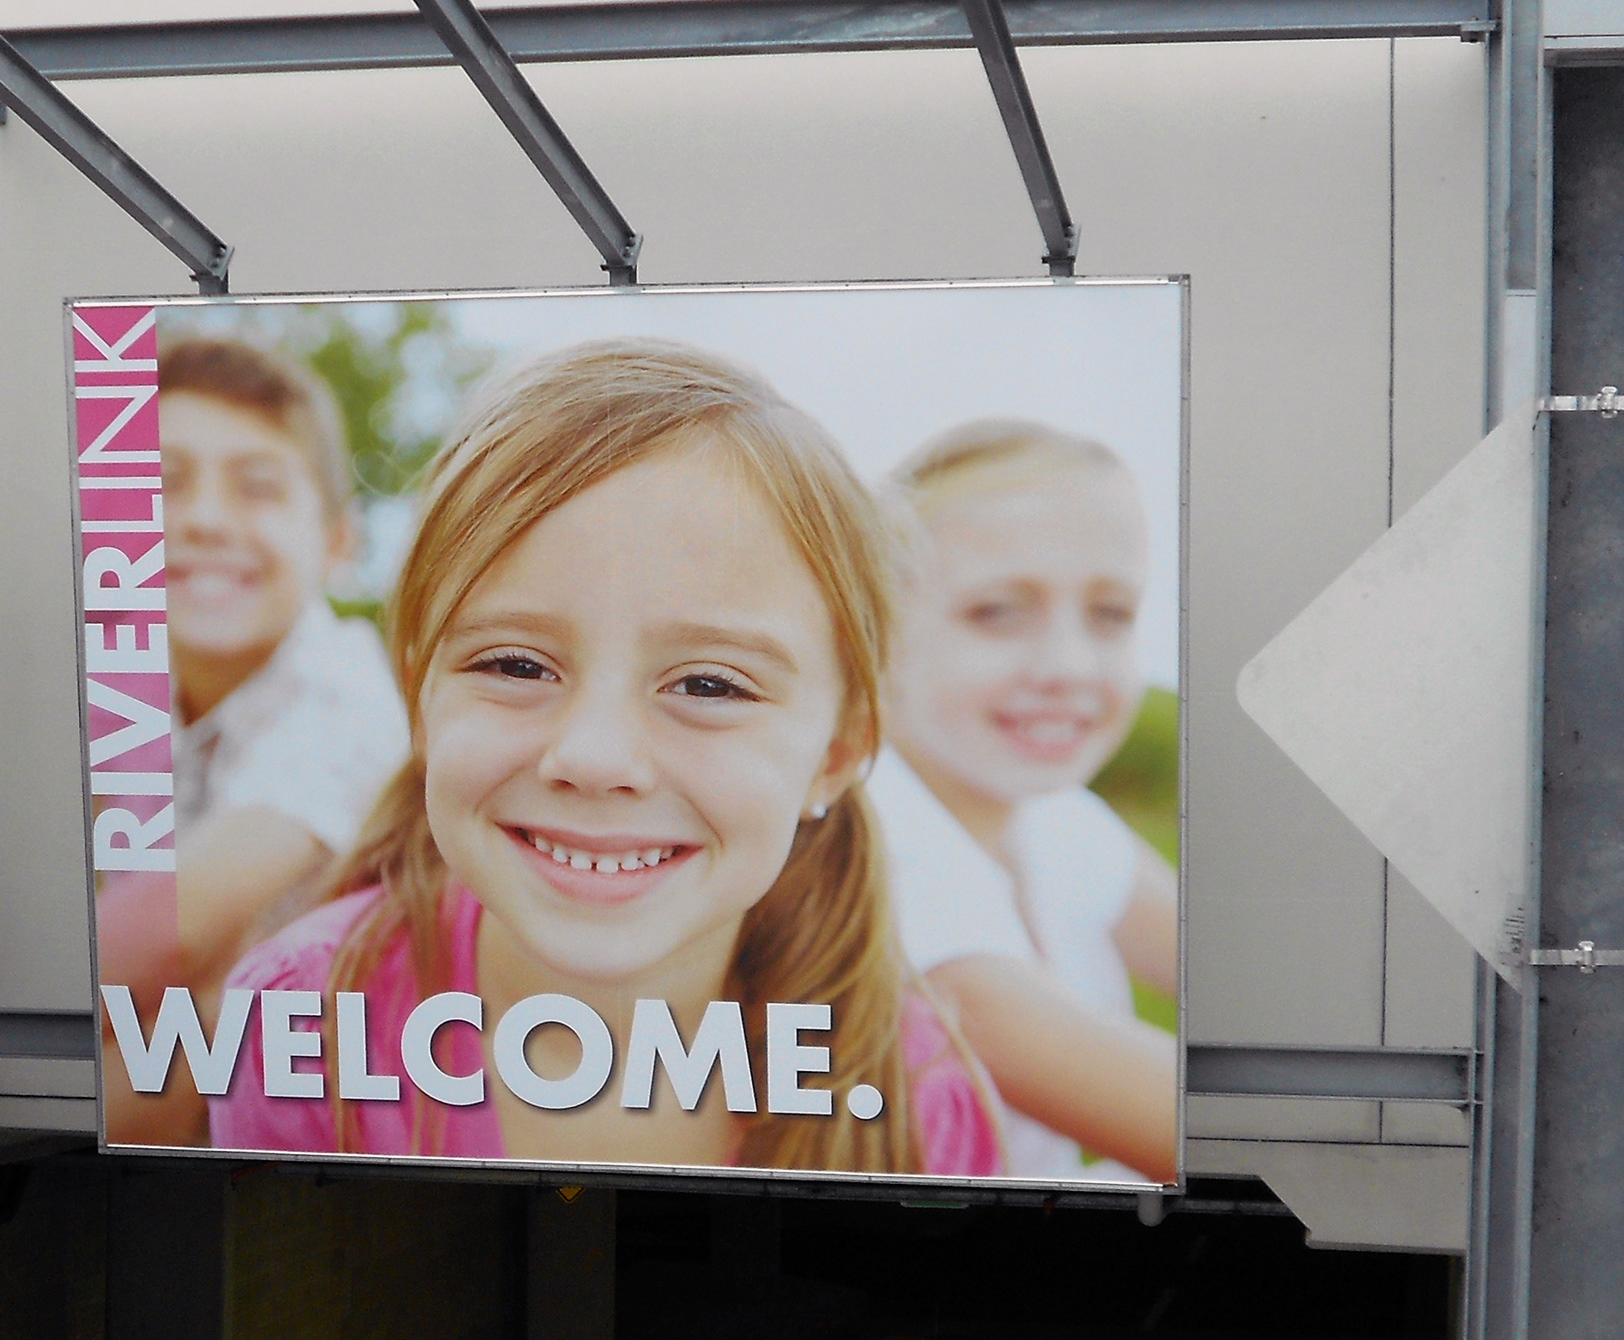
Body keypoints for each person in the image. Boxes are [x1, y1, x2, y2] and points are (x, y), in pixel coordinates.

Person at [209, 340, 1004, 1178]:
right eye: (515, 666)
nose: (594, 757)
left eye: (708, 683)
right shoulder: (301, 1021)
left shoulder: (919, 1101)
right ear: (422, 699)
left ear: (836, 756)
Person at [98, 336, 409, 1144]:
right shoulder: (126, 682)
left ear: (339, 543)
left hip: (340, 1095)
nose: (201, 519)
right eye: (162, 484)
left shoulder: (349, 698)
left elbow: (168, 930)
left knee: (214, 1011)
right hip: (179, 1063)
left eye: (258, 487)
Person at [869, 420, 1179, 1182]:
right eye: (998, 612)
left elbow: (1257, 995)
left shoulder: (1051, 815)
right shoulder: (879, 848)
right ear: (880, 627)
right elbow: (1220, 1134)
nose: (1069, 665)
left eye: (1110, 614)